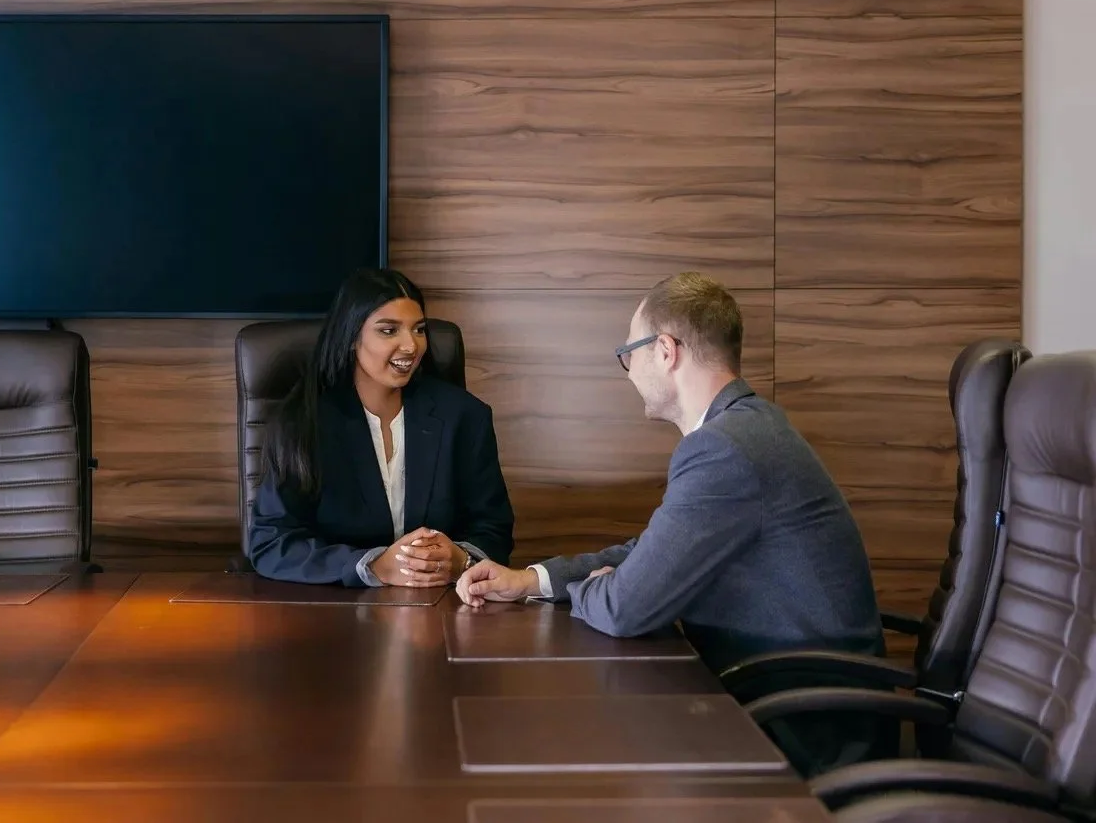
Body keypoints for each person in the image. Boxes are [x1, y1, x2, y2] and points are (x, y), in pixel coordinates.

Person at [454, 271, 888, 774]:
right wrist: (533, 579)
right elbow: (653, 548)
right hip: (781, 697)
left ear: (665, 350)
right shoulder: (742, 429)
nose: (628, 369)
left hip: (805, 726)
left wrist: (606, 590)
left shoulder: (726, 448)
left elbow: (625, 609)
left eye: (629, 354)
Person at [247, 267, 514, 587]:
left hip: (442, 604)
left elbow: (494, 530)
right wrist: (372, 565)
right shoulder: (304, 422)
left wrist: (460, 558)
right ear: (350, 337)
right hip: (335, 610)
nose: (411, 346)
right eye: (389, 331)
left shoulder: (465, 416)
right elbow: (271, 543)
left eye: (418, 330)